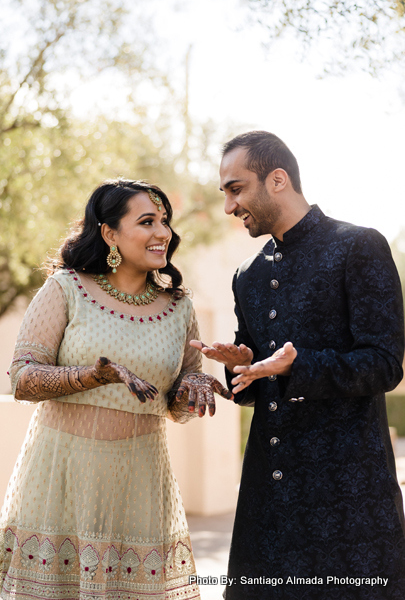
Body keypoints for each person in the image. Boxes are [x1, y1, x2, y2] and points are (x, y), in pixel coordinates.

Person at [191, 131, 405, 599]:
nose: (229, 206)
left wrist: (295, 367)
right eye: (225, 193)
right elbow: (252, 386)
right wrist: (242, 368)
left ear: (278, 179)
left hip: (349, 499)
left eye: (236, 188)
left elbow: (385, 364)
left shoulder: (359, 247)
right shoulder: (246, 276)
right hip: (268, 500)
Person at [0, 178, 231, 600]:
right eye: (147, 221)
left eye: (165, 221)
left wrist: (191, 385)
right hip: (62, 480)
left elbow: (175, 408)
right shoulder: (67, 289)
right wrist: (93, 375)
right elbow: (22, 379)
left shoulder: (179, 307)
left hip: (140, 485)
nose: (163, 233)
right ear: (109, 233)